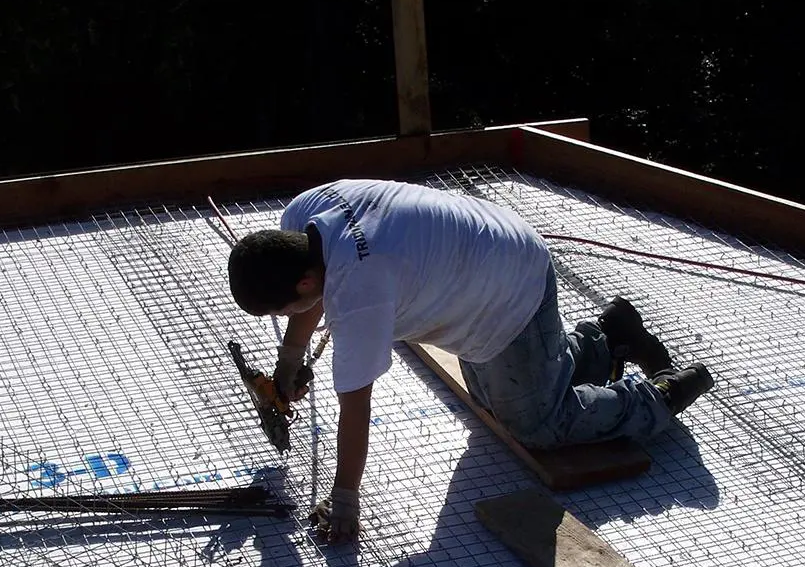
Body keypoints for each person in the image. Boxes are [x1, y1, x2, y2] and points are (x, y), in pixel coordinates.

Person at [227, 179, 713, 541]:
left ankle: (660, 395)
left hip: (510, 285)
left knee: (535, 424)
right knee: (491, 395)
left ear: (306, 283)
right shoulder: (301, 216)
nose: (288, 316)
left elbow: (355, 410)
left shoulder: (363, 289)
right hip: (488, 249)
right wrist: (289, 361)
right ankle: (609, 338)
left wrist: (345, 504)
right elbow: (310, 294)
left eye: (281, 308)